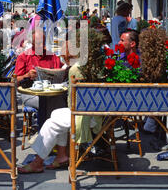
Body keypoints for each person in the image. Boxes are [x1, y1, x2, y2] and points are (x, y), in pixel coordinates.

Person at [17, 26, 117, 174]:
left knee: (52, 122)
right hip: (96, 113)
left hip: (85, 115)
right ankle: (62, 155)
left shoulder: (76, 69)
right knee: (56, 114)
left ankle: (38, 162)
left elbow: (74, 102)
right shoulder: (90, 65)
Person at [15, 27, 63, 111]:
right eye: (38, 43)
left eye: (42, 43)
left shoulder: (52, 56)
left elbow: (62, 72)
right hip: (31, 94)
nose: (41, 46)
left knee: (58, 100)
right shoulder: (23, 57)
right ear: (32, 43)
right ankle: (46, 122)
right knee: (47, 102)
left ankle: (46, 122)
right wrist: (27, 75)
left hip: (50, 93)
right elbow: (16, 80)